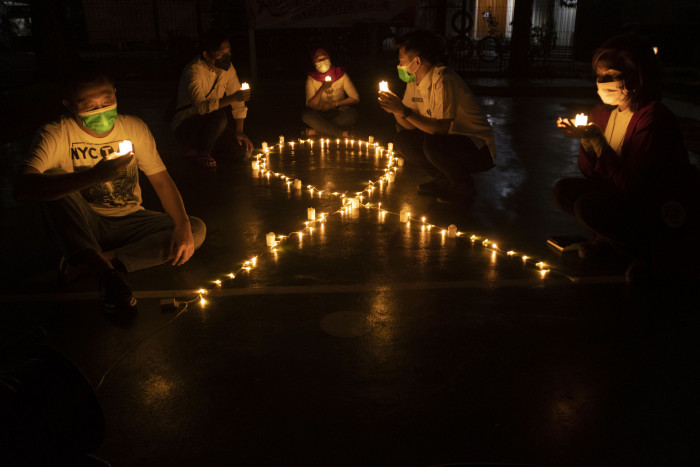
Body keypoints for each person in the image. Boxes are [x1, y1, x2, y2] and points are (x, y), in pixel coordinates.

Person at [14, 63, 206, 312]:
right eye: (89, 106)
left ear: (115, 93)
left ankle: (97, 260)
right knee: (53, 177)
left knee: (195, 229)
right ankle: (107, 274)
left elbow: (160, 180)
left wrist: (182, 225)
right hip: (87, 222)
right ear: (69, 105)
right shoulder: (57, 134)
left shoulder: (133, 127)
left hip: (132, 220)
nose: (101, 110)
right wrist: (96, 175)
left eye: (107, 101)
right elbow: (23, 188)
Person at [553, 34, 699, 282]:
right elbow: (590, 173)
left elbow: (633, 185)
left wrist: (599, 144)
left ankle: (649, 255)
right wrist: (588, 143)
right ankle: (613, 245)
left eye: (610, 75)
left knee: (587, 207)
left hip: (654, 208)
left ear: (635, 77)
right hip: (621, 195)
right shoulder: (602, 112)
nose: (602, 83)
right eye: (599, 76)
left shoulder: (651, 119)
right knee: (564, 191)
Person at [378, 30, 496, 205]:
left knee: (433, 142)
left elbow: (442, 128)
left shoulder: (443, 80)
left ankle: (463, 186)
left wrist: (403, 110)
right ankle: (445, 180)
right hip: (448, 142)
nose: (399, 64)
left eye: (401, 60)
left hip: (477, 148)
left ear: (416, 61)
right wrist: (394, 109)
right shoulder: (413, 82)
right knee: (404, 140)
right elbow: (408, 126)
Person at [171, 29, 253, 168]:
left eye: (229, 52)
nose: (226, 56)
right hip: (187, 126)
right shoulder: (194, 71)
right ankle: (203, 152)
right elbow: (202, 108)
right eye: (221, 53)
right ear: (206, 55)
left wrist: (239, 131)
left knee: (243, 152)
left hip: (212, 127)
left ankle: (198, 149)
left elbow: (239, 103)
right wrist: (234, 97)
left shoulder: (229, 69)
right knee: (219, 116)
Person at [301, 48, 359, 138]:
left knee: (352, 114)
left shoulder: (341, 75)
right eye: (318, 60)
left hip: (339, 113)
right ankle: (340, 133)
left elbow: (355, 98)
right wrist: (322, 89)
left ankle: (318, 131)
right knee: (306, 115)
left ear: (329, 58)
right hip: (320, 115)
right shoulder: (311, 79)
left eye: (324, 58)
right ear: (314, 62)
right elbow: (310, 105)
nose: (322, 62)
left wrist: (335, 104)